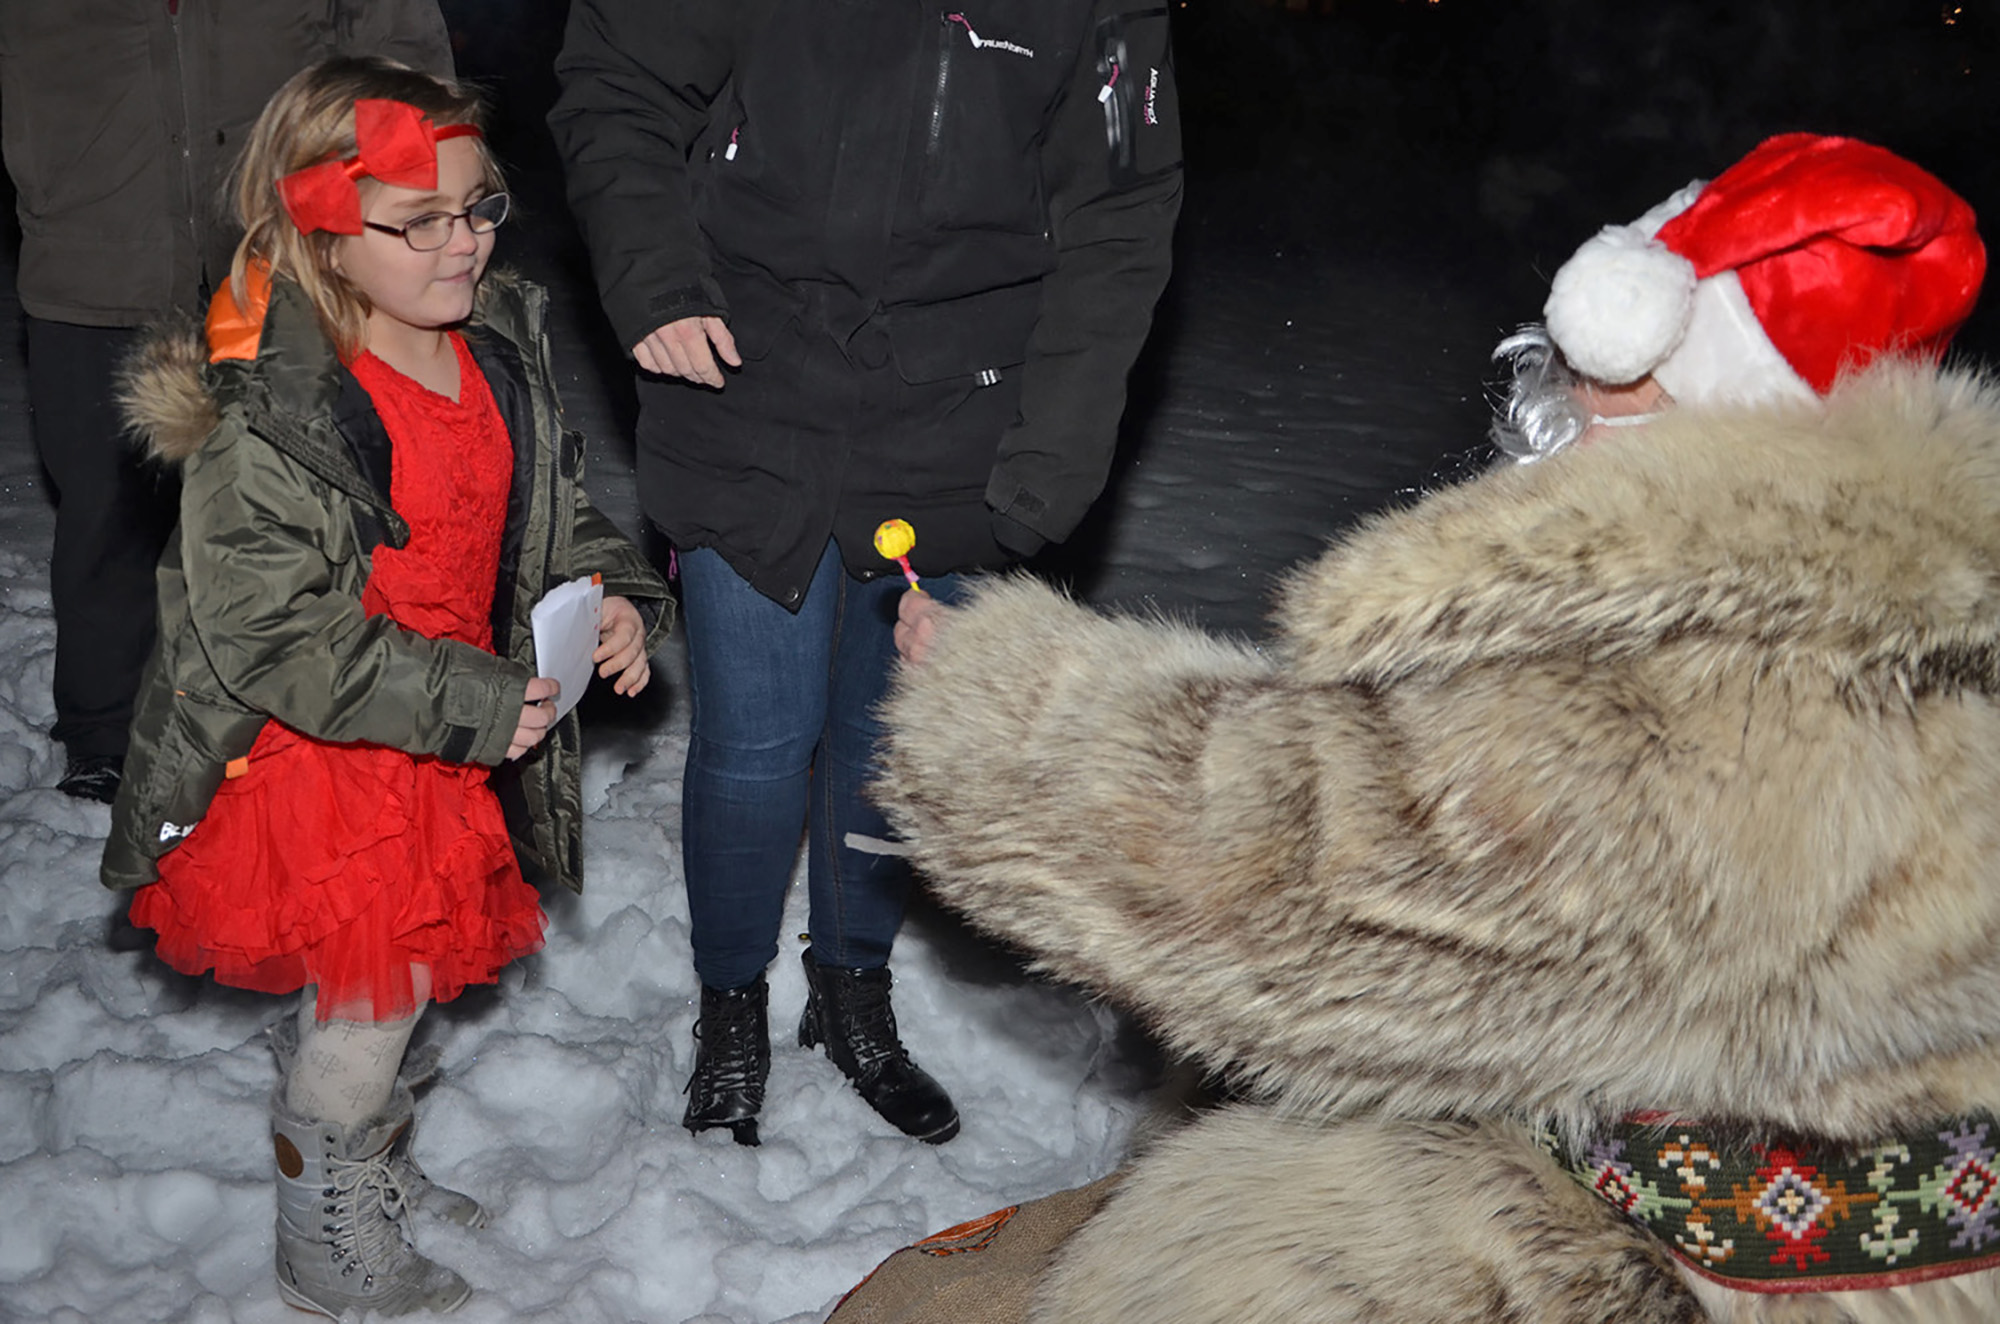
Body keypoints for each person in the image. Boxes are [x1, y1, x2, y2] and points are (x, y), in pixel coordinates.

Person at [862, 135, 2000, 1322]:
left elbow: (1290, 879)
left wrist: (1006, 695)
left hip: (1709, 1271)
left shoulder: (1718, 689)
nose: (1567, 390)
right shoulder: (1898, 604)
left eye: (1614, 375)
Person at [547, 1, 1184, 1148]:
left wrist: (1050, 460)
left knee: (887, 739)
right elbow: (615, 79)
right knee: (755, 743)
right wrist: (655, 276)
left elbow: (1119, 210)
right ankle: (730, 999)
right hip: (747, 380)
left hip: (961, 408)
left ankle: (851, 990)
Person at [100, 58, 672, 1318]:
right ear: (321, 233)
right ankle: (323, 1230)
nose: (464, 242)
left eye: (479, 208)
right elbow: (270, 631)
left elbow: (550, 511)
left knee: (391, 999)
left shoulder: (494, 345)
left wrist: (612, 593)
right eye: (421, 222)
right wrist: (467, 700)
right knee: (374, 999)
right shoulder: (274, 412)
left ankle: (368, 1150)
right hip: (335, 743)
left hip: (450, 718)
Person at [0, 0, 452, 803]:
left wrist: (410, 205)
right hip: (95, 238)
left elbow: (394, 37)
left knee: (312, 504)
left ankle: (315, 723)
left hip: (288, 232)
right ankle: (106, 734)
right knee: (108, 509)